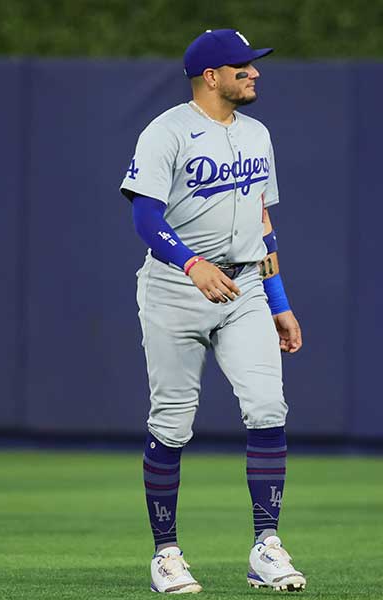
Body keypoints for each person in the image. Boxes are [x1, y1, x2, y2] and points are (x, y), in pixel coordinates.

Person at [119, 28, 306, 594]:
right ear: (211, 76)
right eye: (243, 66)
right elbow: (146, 216)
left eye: (253, 66)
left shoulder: (258, 135)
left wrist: (280, 303)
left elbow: (264, 225)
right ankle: (166, 553)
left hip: (246, 286)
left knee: (269, 406)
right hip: (177, 289)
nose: (254, 73)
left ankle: (267, 546)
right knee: (173, 422)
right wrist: (190, 263)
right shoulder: (167, 132)